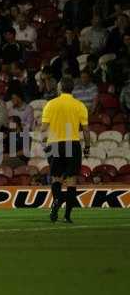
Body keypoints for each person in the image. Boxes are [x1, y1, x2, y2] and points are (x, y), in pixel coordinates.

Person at [41, 77, 91, 223]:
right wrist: (87, 147)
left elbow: (43, 129)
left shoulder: (50, 104)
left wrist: (46, 143)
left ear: (60, 88)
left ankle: (57, 200)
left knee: (56, 178)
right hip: (72, 143)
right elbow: (86, 130)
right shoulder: (80, 105)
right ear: (72, 89)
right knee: (71, 180)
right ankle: (67, 216)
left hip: (54, 144)